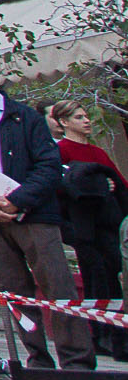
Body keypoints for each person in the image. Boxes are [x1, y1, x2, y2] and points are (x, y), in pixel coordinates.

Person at [0, 52, 95, 380]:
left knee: (57, 283)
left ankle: (78, 364)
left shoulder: (24, 117)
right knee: (14, 290)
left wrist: (18, 199)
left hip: (33, 212)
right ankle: (38, 361)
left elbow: (48, 164)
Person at [50, 100, 128, 360]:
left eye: (86, 116)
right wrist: (96, 185)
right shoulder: (60, 151)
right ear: (64, 122)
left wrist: (111, 185)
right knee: (95, 277)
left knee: (114, 273)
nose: (87, 121)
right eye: (79, 117)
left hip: (107, 223)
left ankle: (119, 337)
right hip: (82, 226)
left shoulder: (97, 152)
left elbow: (119, 180)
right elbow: (61, 185)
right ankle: (99, 335)